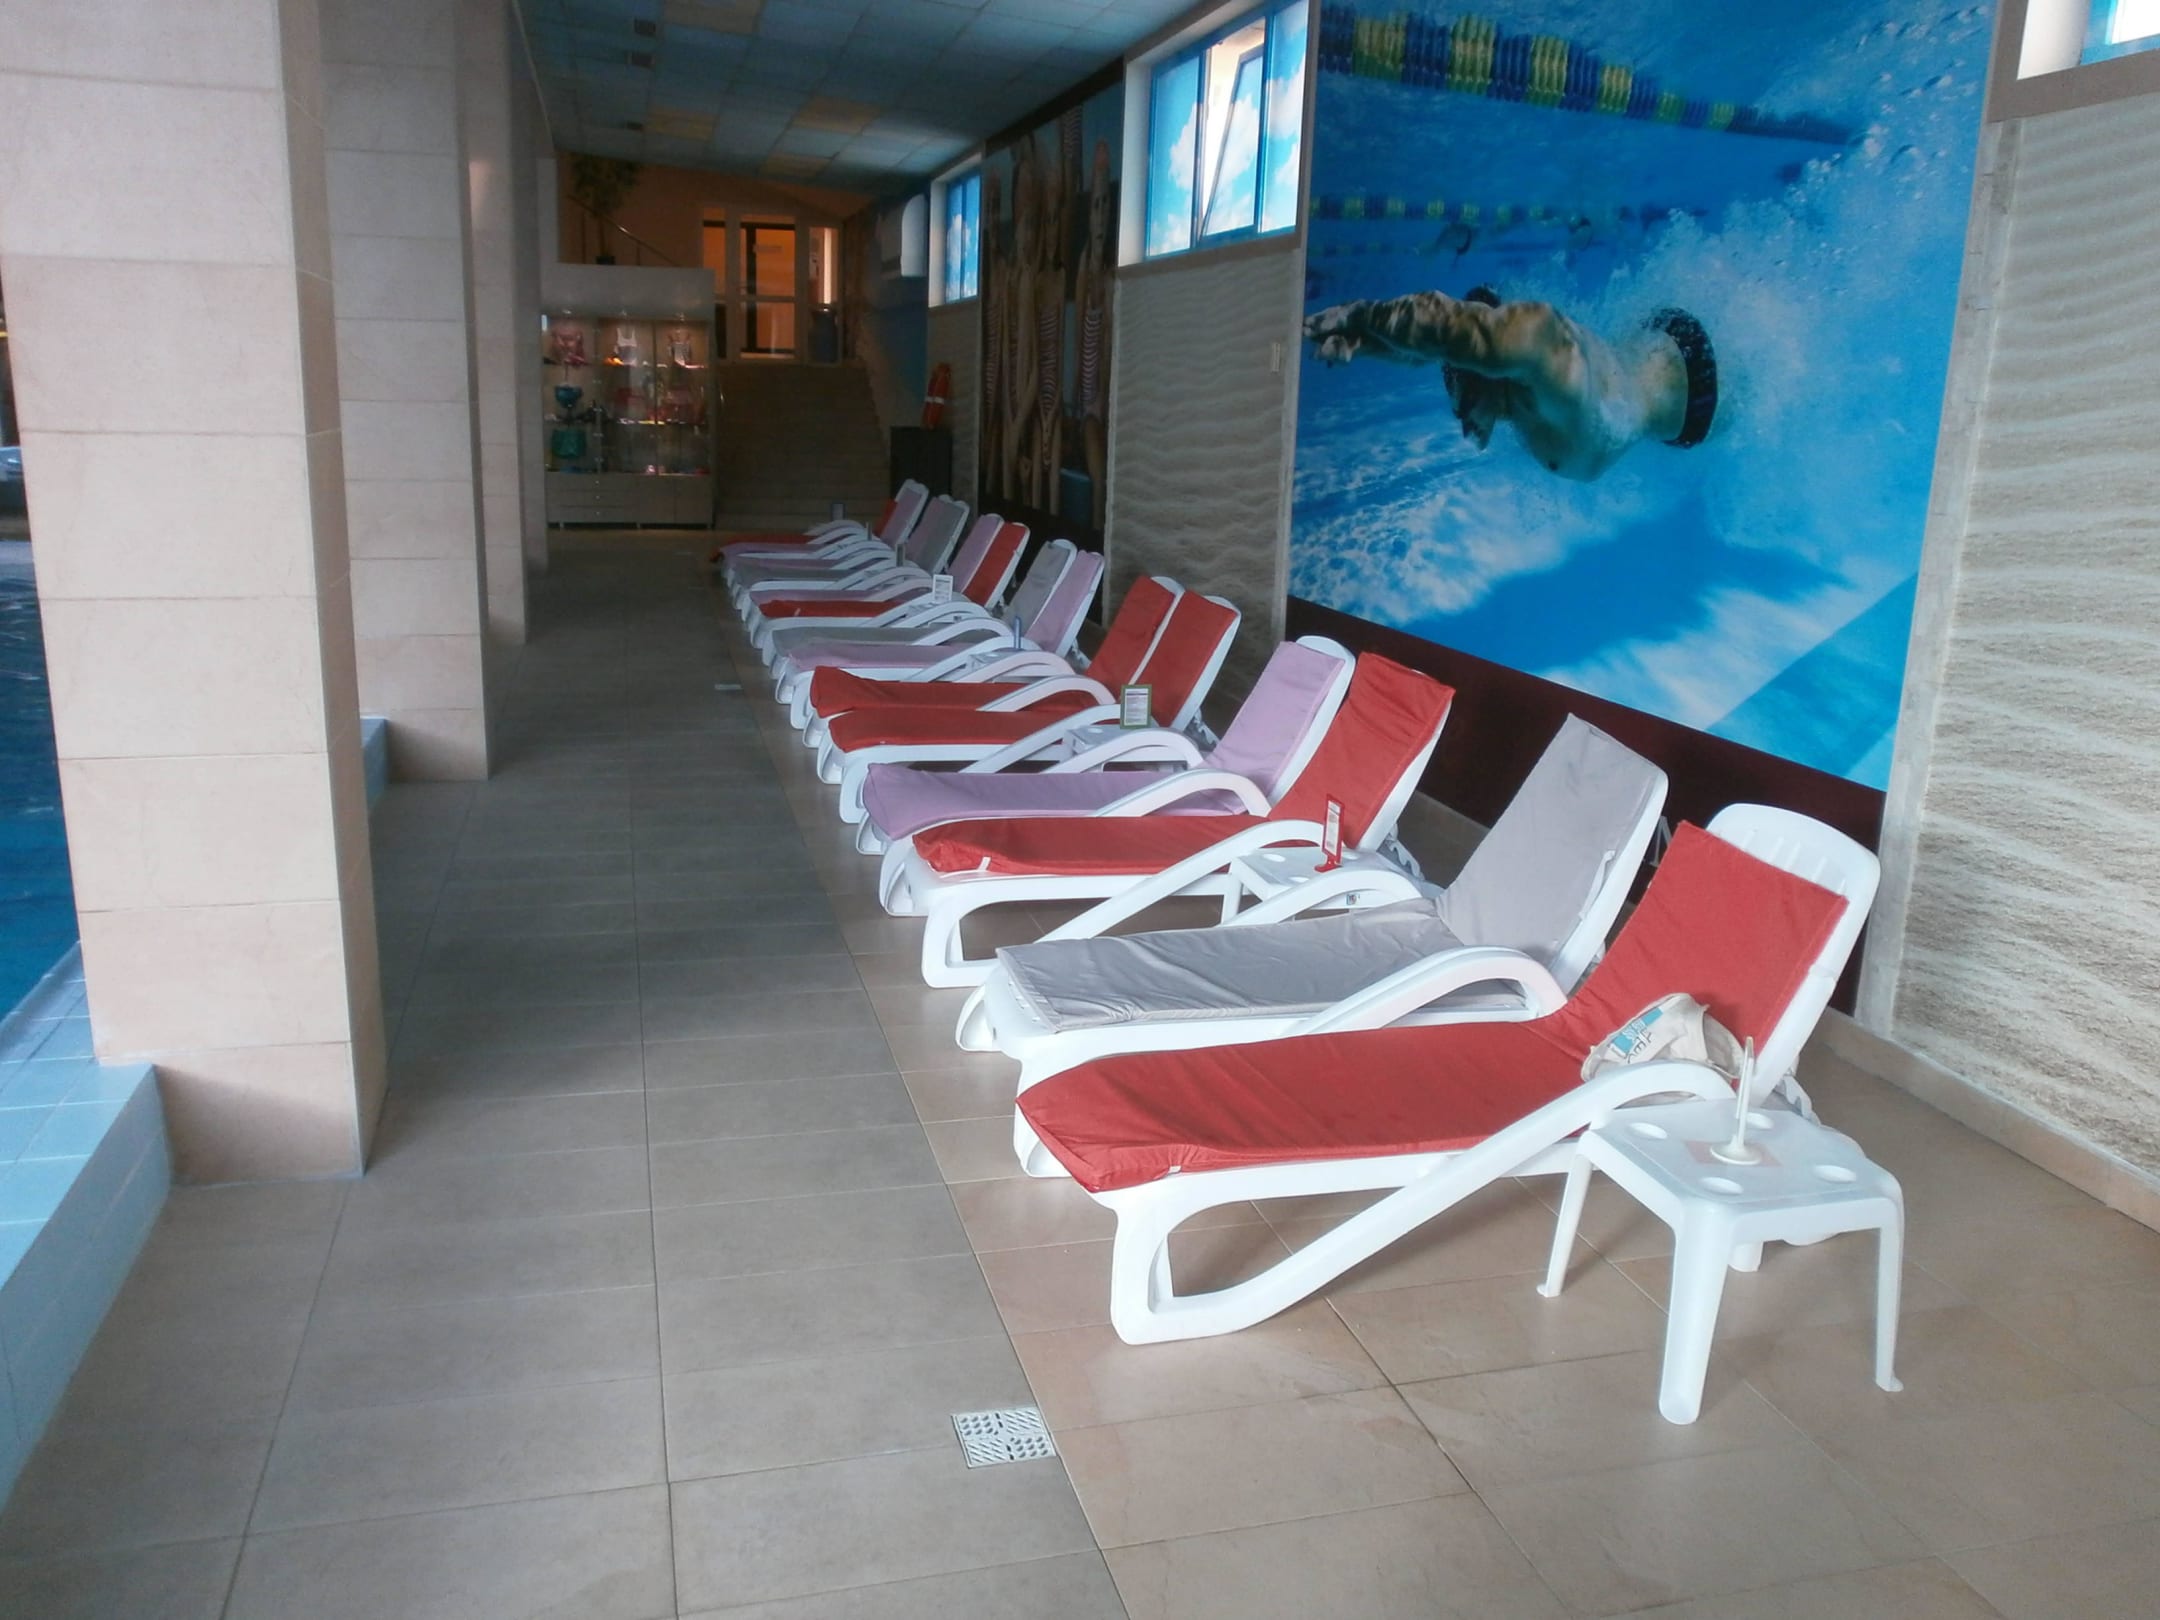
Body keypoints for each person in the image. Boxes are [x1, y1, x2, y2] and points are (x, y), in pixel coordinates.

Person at [1304, 285, 1717, 481]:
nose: (1465, 424)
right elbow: (1438, 348)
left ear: (1490, 368)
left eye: (1464, 406)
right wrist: (1369, 344)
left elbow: (1500, 334)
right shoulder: (1526, 396)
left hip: (1696, 384)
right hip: (1664, 378)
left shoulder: (1557, 381)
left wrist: (1364, 315)